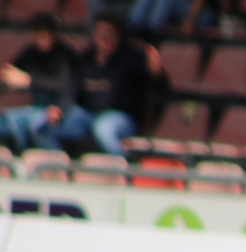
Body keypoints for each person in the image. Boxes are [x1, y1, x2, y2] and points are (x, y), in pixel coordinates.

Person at [46, 16, 166, 157]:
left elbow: (160, 89)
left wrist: (157, 74)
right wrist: (60, 109)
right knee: (43, 127)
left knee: (103, 129)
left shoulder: (134, 58)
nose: (105, 38)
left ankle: (122, 165)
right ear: (94, 35)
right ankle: (59, 166)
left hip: (120, 118)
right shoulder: (84, 59)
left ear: (119, 36)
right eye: (101, 34)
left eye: (110, 34)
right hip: (86, 116)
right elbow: (71, 92)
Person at [0, 15, 78, 154]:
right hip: (37, 108)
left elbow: (64, 86)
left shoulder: (64, 54)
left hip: (63, 108)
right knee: (10, 120)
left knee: (35, 124)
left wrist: (29, 81)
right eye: (38, 33)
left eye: (46, 32)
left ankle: (55, 161)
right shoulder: (30, 53)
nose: (43, 37)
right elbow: (11, 77)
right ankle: (22, 157)